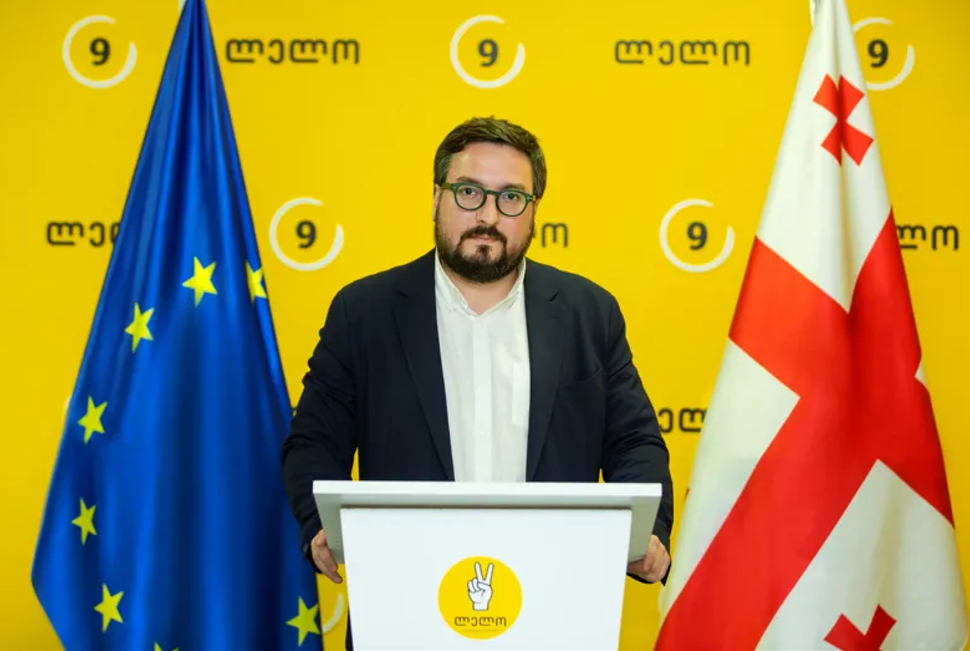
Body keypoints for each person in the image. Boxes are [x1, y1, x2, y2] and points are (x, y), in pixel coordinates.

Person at [281, 116, 675, 637]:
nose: (488, 216)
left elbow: (633, 443)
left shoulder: (588, 314)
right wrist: (320, 526)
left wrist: (648, 532)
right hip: (404, 608)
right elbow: (314, 442)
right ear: (436, 198)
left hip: (555, 608)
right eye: (469, 192)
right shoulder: (364, 313)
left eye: (511, 198)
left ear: (533, 210)